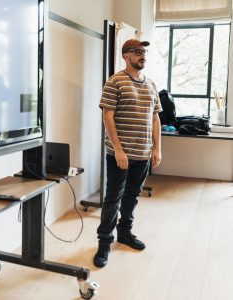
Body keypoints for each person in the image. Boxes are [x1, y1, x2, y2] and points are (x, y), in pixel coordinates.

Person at [93, 38, 162, 268]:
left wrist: (157, 148)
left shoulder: (151, 84)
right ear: (126, 55)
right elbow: (108, 117)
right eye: (137, 52)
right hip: (119, 155)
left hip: (143, 154)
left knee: (132, 196)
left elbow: (155, 118)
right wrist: (119, 150)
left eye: (144, 52)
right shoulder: (115, 81)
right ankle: (104, 241)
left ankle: (125, 233)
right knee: (113, 198)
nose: (142, 56)